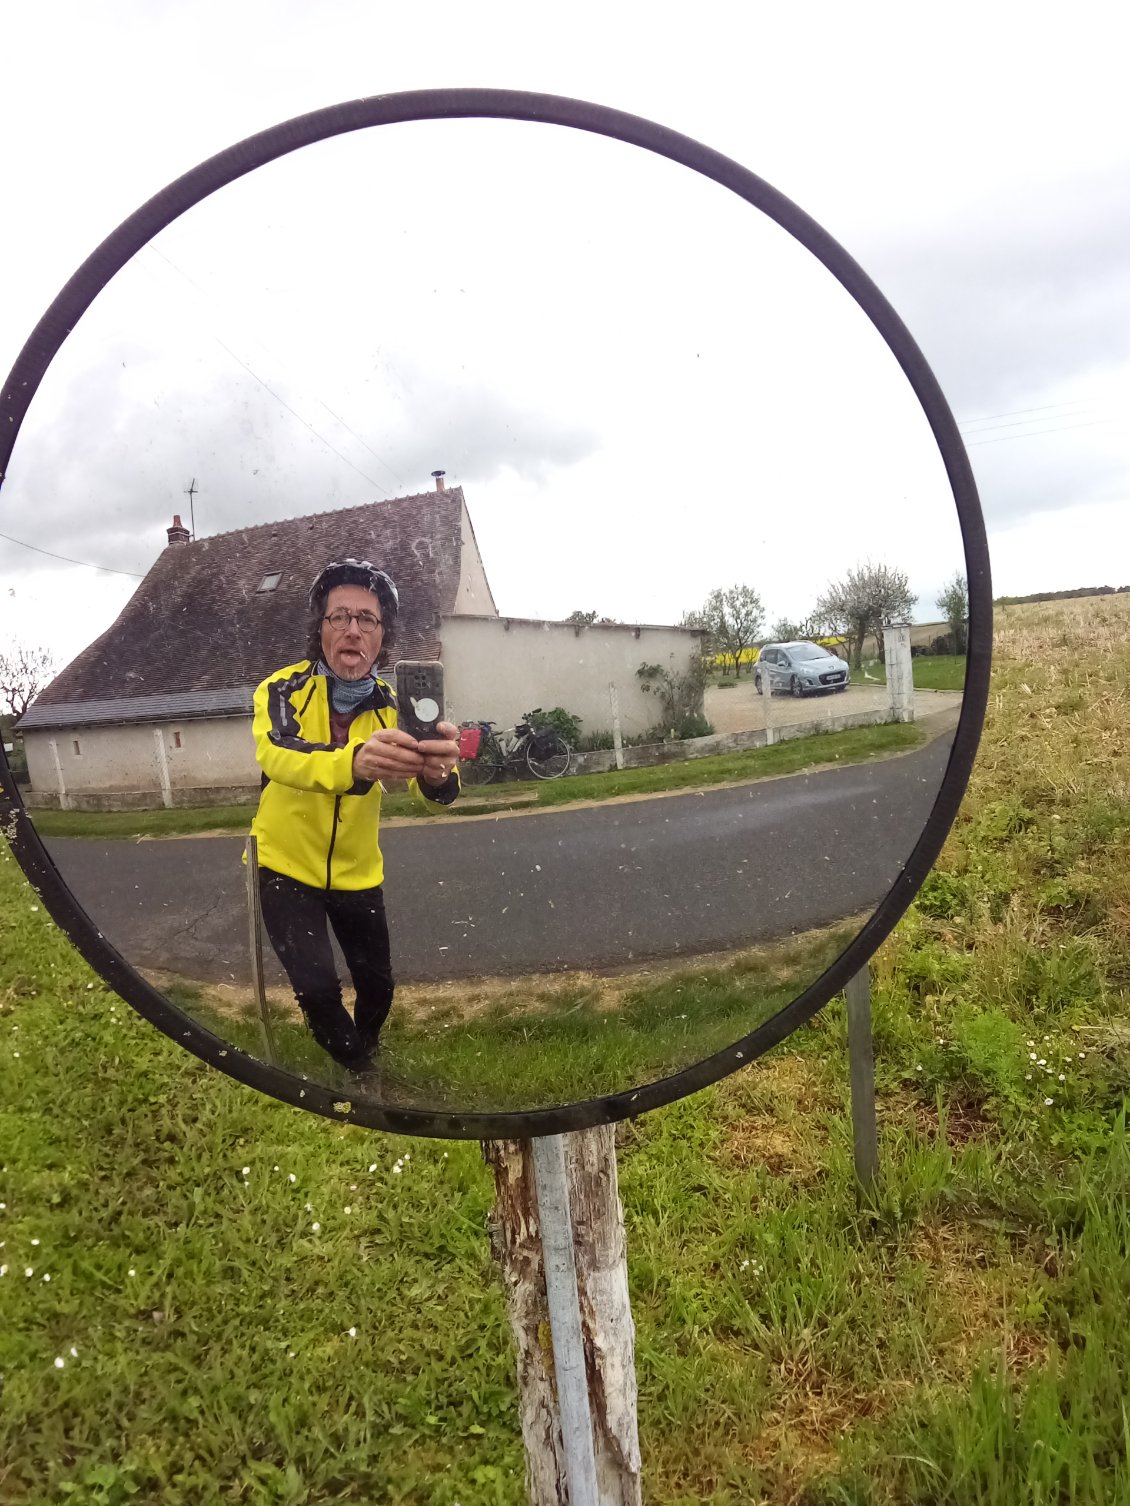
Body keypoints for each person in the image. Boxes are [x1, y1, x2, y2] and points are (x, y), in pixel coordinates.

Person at [249, 558, 460, 1074]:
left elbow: (434, 789)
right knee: (317, 987)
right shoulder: (280, 689)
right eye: (338, 617)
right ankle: (361, 1070)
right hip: (284, 865)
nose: (352, 630)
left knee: (379, 986)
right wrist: (354, 761)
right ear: (319, 629)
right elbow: (277, 754)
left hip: (358, 872)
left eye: (366, 619)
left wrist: (438, 774)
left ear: (381, 636)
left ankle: (362, 1047)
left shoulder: (394, 705)